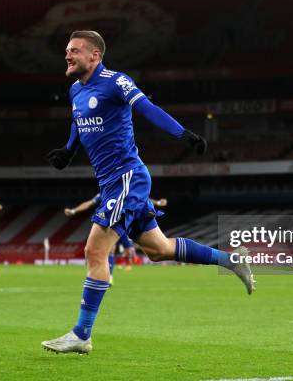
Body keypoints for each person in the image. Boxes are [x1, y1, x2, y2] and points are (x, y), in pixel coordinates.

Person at [42, 30, 254, 354]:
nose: (67, 56)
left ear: (94, 56)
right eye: (66, 51)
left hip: (127, 177)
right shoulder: (75, 90)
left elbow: (147, 108)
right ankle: (231, 260)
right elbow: (77, 121)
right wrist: (69, 150)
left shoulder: (116, 81)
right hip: (111, 182)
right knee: (159, 249)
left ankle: (81, 334)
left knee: (95, 252)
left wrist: (183, 134)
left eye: (74, 51)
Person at [65, 194, 168, 281]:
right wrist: (73, 211)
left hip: (123, 225)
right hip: (107, 225)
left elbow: (141, 197)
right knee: (108, 250)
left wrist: (158, 203)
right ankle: (108, 277)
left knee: (126, 251)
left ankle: (115, 272)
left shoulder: (125, 190)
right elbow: (89, 203)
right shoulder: (104, 193)